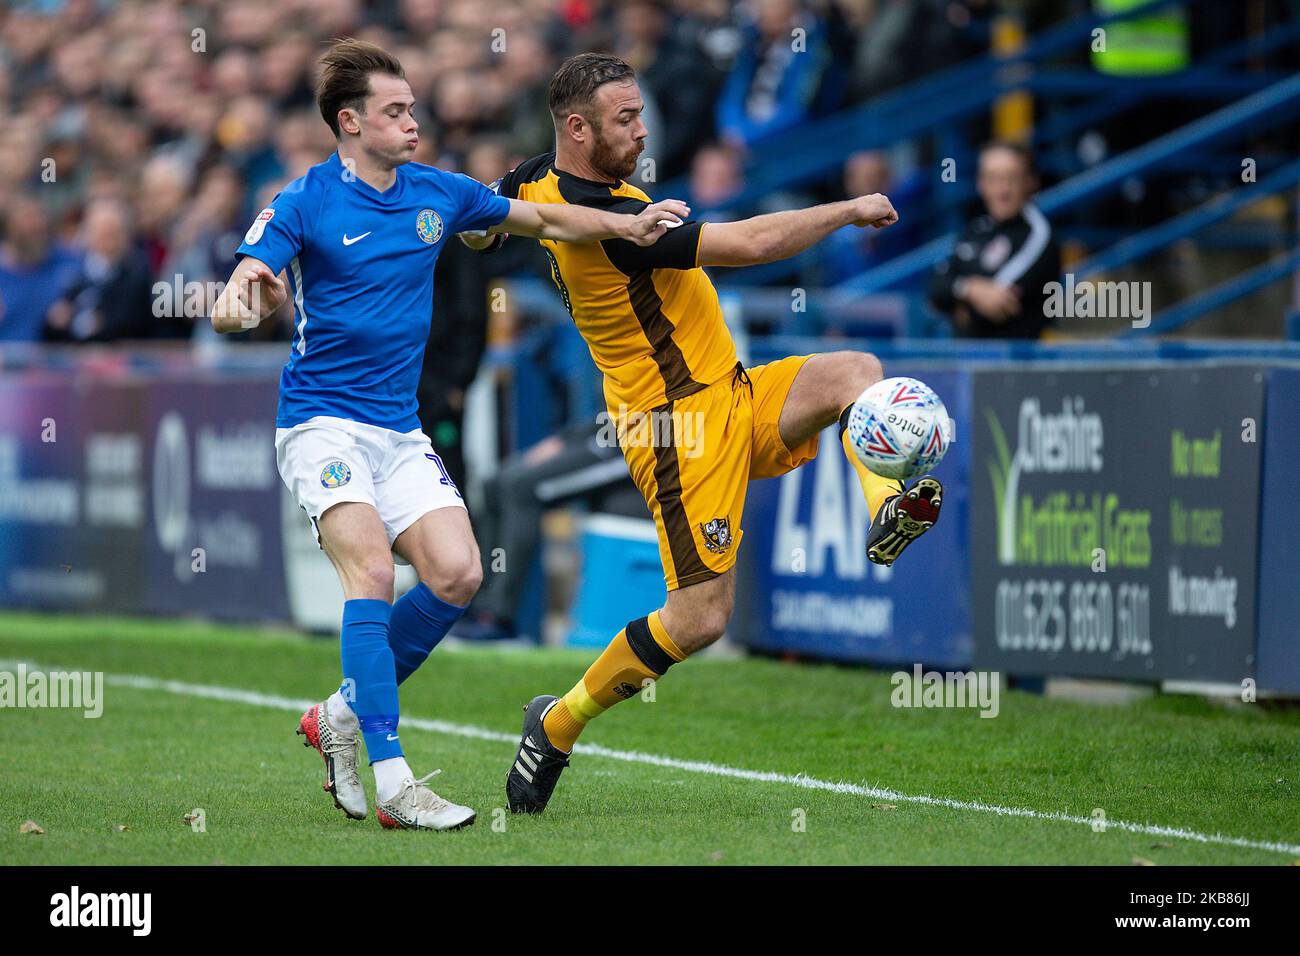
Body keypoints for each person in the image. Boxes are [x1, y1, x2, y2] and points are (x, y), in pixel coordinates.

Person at [207, 39, 688, 831]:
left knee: (459, 574)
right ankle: (394, 779)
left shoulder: (439, 192)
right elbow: (242, 290)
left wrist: (628, 226)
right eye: (396, 112)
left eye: (414, 108)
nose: (413, 122)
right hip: (322, 425)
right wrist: (237, 304)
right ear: (350, 122)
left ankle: (338, 717)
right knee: (371, 574)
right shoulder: (303, 201)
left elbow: (538, 217)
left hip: (397, 428)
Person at [462, 53, 944, 815]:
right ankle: (555, 724)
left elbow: (481, 220)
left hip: (731, 390)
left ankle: (887, 505)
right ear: (579, 129)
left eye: (641, 112)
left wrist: (476, 234)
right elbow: (752, 246)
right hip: (677, 427)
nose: (643, 130)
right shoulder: (619, 230)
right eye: (626, 119)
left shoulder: (531, 179)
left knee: (858, 369)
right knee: (700, 619)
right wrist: (847, 210)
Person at [929, 141, 1060, 339]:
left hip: (1018, 364)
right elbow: (936, 289)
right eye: (993, 178)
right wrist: (970, 289)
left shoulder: (1039, 234)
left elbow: (992, 305)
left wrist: (960, 298)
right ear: (980, 183)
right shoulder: (977, 228)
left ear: (1030, 182)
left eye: (1011, 178)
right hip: (967, 361)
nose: (1002, 190)